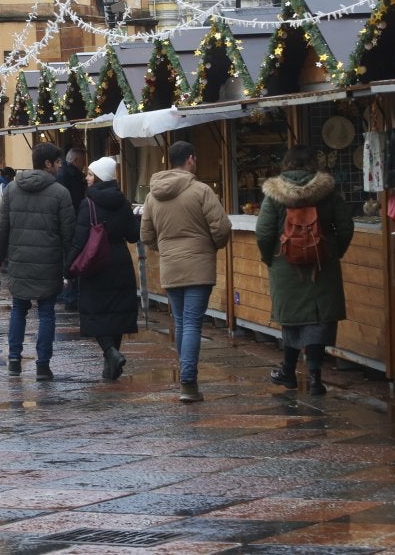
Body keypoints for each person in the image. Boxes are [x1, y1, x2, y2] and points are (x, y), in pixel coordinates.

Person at [254, 144, 354, 397]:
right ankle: (314, 377)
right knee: (318, 320)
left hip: (285, 265)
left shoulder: (274, 194)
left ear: (286, 165)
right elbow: (345, 226)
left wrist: (270, 258)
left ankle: (288, 370)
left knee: (293, 320)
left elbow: (264, 232)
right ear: (313, 164)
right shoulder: (328, 191)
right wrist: (334, 251)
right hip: (323, 264)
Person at [139, 140, 230, 402]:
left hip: (171, 265)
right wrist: (210, 246)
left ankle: (186, 375)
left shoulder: (152, 195)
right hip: (198, 265)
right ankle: (188, 381)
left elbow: (146, 234)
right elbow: (221, 228)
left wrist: (165, 248)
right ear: (190, 159)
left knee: (180, 322)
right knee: (191, 322)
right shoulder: (201, 191)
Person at [0, 142, 76, 381]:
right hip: (49, 261)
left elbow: (2, 228)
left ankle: (15, 361)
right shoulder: (61, 193)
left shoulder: (11, 190)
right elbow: (68, 233)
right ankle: (42, 365)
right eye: (58, 162)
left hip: (19, 260)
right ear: (48, 164)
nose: (60, 166)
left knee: (19, 309)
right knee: (47, 311)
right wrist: (70, 263)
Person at [73, 156, 141, 381]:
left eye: (91, 174)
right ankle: (111, 366)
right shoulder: (123, 202)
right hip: (120, 262)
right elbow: (133, 235)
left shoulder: (89, 203)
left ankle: (110, 352)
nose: (87, 178)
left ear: (100, 177)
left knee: (94, 312)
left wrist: (69, 266)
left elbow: (80, 238)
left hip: (97, 263)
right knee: (116, 313)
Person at [55, 146, 88, 309]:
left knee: (65, 259)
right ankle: (69, 296)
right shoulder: (71, 176)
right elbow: (75, 201)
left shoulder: (61, 174)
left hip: (63, 224)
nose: (84, 165)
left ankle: (65, 295)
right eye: (82, 161)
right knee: (69, 259)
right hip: (70, 223)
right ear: (75, 160)